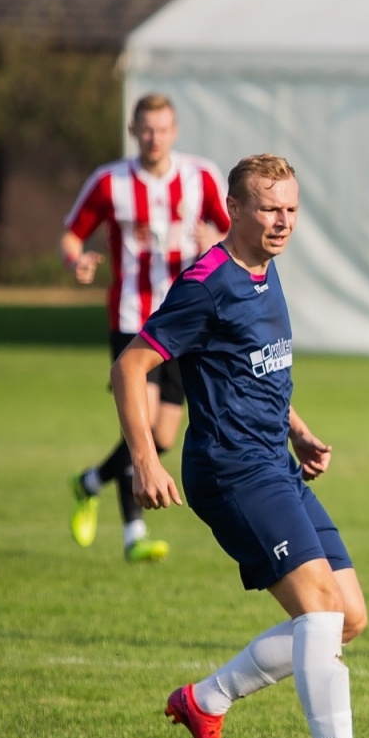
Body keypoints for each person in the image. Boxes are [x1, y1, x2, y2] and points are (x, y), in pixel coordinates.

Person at [112, 154, 369, 738]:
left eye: (292, 209)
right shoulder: (206, 283)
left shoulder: (265, 274)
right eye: (270, 208)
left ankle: (205, 700)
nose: (283, 222)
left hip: (273, 459)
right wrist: (143, 458)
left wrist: (297, 428)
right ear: (236, 210)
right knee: (321, 611)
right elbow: (130, 367)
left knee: (348, 616)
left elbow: (257, 366)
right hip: (231, 471)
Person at [64, 93, 231, 562]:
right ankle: (133, 534)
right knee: (140, 425)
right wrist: (76, 260)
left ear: (174, 131)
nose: (154, 137)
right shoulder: (110, 182)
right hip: (133, 318)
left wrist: (214, 238)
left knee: (159, 438)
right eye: (146, 129)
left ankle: (89, 482)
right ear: (134, 131)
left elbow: (232, 233)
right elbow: (71, 234)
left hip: (186, 317)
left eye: (162, 128)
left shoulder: (201, 177)